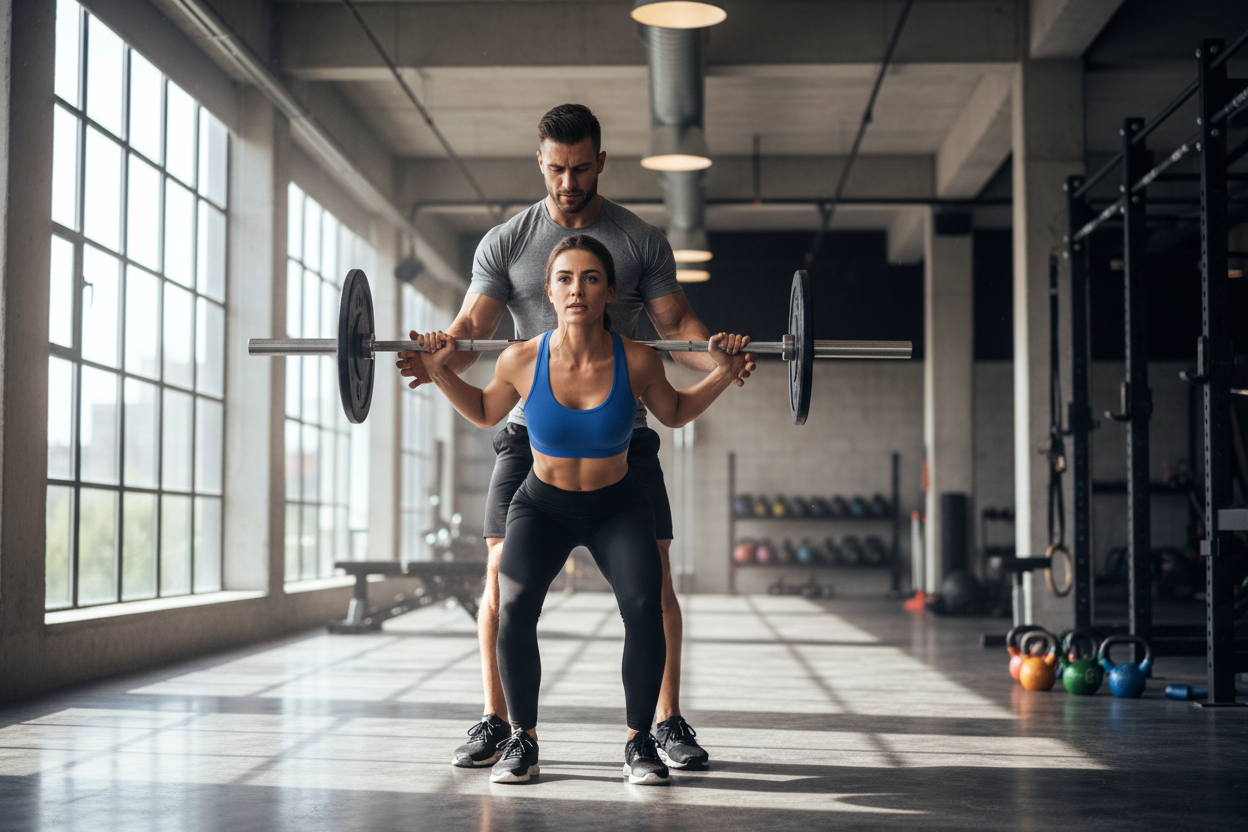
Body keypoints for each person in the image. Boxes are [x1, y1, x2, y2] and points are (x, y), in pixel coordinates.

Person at [396, 104, 755, 771]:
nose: (568, 181)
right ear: (541, 162)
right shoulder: (507, 242)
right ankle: (501, 723)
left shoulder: (639, 239)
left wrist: (724, 362)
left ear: (600, 162)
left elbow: (676, 327)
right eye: (556, 168)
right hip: (532, 437)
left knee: (655, 586)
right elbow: (474, 328)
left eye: (580, 168)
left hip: (624, 435)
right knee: (503, 584)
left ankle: (663, 722)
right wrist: (440, 355)